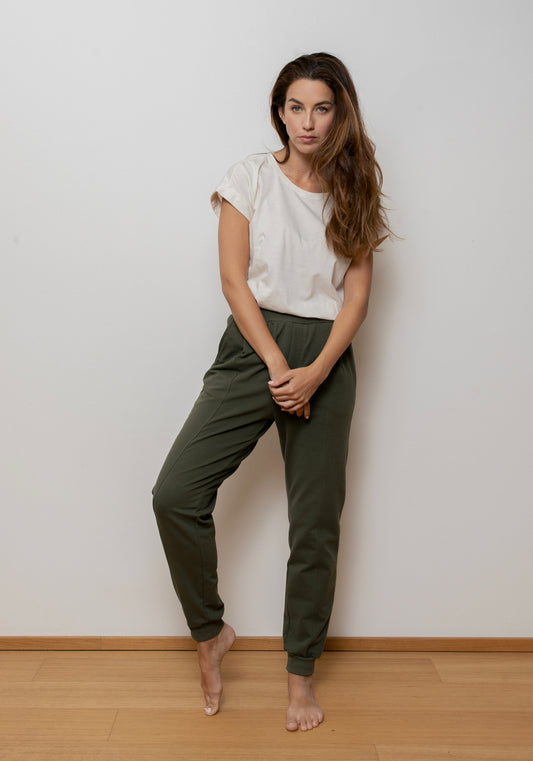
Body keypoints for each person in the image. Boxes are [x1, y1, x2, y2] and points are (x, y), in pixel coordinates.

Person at [152, 51, 392, 732]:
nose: (307, 121)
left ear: (340, 114)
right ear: (278, 111)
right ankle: (210, 631)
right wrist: (278, 364)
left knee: (315, 523)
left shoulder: (353, 190)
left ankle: (299, 679)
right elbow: (234, 279)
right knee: (175, 494)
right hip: (254, 347)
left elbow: (356, 298)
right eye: (295, 107)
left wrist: (316, 371)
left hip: (327, 356)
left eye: (321, 107)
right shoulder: (250, 176)